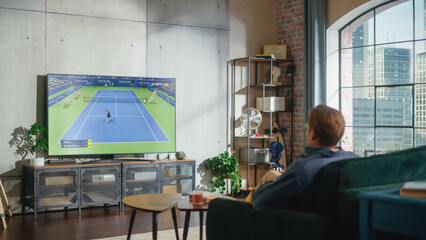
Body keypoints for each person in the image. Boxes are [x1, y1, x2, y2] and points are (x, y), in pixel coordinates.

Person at [246, 104, 359, 209]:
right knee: (271, 174)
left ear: (312, 133)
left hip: (296, 221)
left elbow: (260, 200)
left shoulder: (304, 168)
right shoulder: (354, 161)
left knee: (267, 178)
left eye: (307, 128)